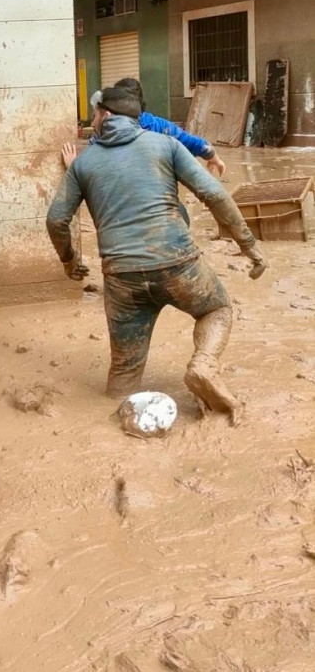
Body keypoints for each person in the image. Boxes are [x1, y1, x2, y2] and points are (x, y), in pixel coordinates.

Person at [46, 84, 268, 425]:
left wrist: (70, 261)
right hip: (179, 265)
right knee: (217, 309)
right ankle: (204, 364)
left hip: (122, 279)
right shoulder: (166, 143)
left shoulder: (83, 163)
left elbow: (57, 219)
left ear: (105, 115)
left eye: (94, 113)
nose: (91, 119)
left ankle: (122, 422)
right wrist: (249, 247)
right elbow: (215, 194)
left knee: (123, 374)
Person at [62, 77, 225, 178]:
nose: (92, 123)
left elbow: (90, 170)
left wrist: (73, 167)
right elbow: (196, 144)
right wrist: (214, 158)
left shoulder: (103, 131)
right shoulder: (159, 127)